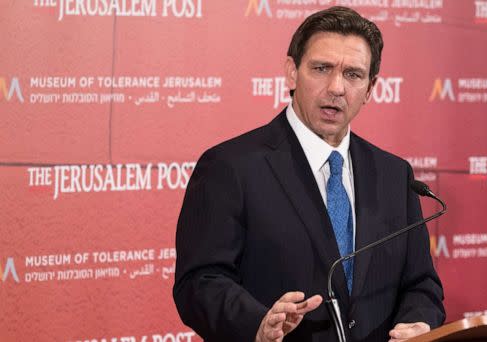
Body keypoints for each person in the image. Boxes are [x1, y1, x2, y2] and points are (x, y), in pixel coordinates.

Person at [173, 6, 445, 342]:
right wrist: (257, 323)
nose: (336, 88)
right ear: (292, 72)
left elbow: (421, 284)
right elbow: (199, 282)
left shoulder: (393, 174)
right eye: (321, 68)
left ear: (371, 88)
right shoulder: (230, 167)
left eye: (353, 75)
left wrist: (418, 323)